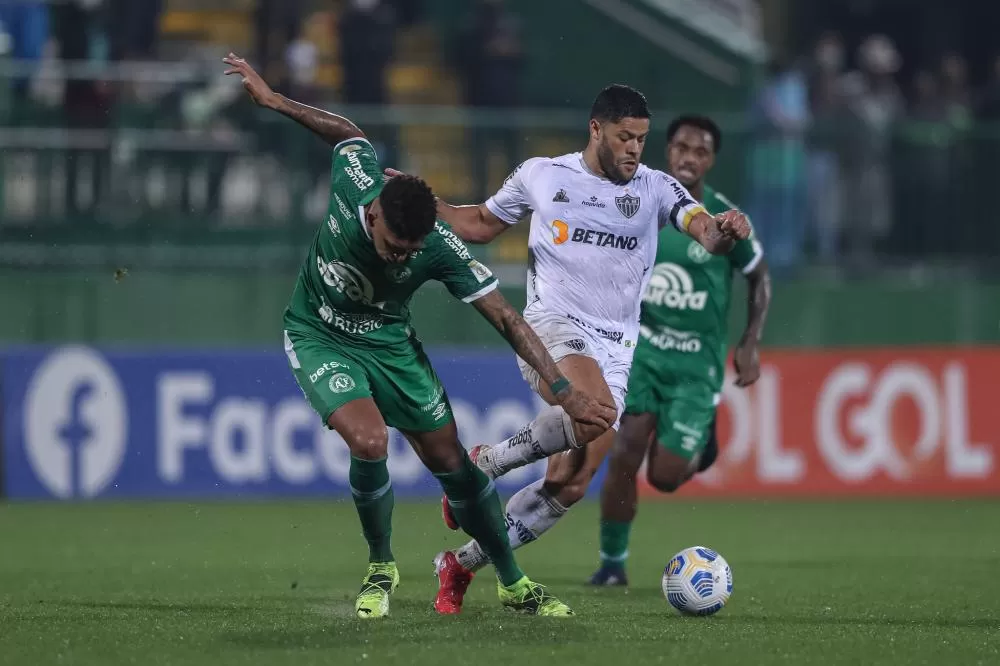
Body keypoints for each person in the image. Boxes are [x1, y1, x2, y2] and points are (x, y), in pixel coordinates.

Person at [222, 54, 617, 619]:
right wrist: (274, 99)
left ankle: (512, 581)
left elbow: (506, 316)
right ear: (376, 213)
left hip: (390, 343)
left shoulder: (436, 244)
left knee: (455, 466)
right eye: (394, 248)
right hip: (319, 334)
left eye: (412, 252)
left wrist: (561, 389)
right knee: (369, 441)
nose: (402, 257)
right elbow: (349, 133)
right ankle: (381, 567)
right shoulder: (354, 180)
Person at [388, 85, 751, 614]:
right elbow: (481, 224)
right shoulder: (543, 174)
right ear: (596, 130)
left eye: (642, 139)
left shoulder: (656, 187)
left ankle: (461, 563)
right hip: (551, 326)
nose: (635, 149)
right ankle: (486, 465)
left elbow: (705, 232)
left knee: (570, 483)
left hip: (617, 346)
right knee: (595, 415)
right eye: (625, 137)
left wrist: (725, 229)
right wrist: (429, 204)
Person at [589, 115, 771, 586]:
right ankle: (612, 564)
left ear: (711, 160)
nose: (689, 158)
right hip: (643, 352)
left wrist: (750, 341)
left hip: (696, 364)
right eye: (681, 148)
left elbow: (759, 276)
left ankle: (699, 443)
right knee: (625, 449)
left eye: (701, 151)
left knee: (666, 476)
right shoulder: (639, 204)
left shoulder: (722, 219)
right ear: (667, 151)